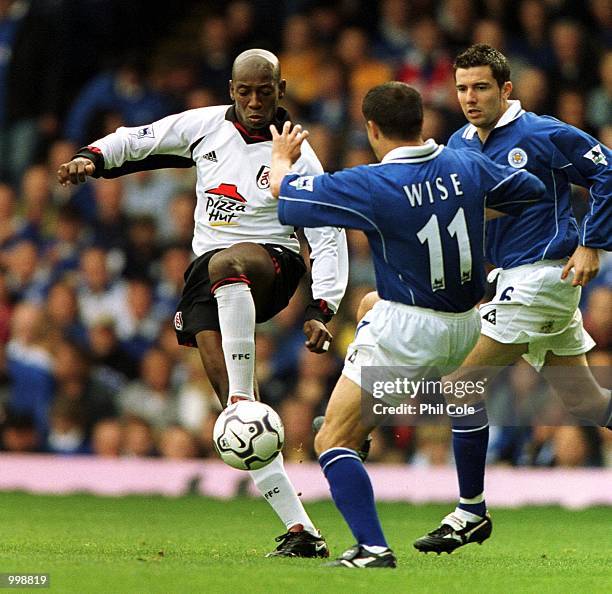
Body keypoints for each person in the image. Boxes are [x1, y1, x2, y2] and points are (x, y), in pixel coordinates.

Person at [57, 49, 349, 559]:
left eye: (265, 90)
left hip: (271, 263)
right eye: (245, 91)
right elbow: (141, 139)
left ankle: (243, 395)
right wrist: (93, 156)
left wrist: (322, 308)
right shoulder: (205, 126)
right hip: (205, 277)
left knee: (227, 264)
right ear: (231, 91)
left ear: (281, 91)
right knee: (240, 424)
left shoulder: (298, 153)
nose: (255, 101)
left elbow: (326, 236)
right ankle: (302, 531)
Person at [269, 82, 545, 567]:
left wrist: (281, 154)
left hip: (410, 329)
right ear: (422, 123)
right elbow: (531, 191)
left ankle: (372, 548)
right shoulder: (466, 163)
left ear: (371, 128)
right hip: (464, 325)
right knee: (370, 302)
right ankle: (464, 500)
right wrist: (465, 206)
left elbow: (285, 196)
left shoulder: (373, 182)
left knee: (329, 437)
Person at [408, 44, 611, 554]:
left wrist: (593, 242)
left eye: (480, 87)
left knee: (460, 385)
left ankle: (469, 512)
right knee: (587, 402)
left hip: (545, 276)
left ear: (506, 89)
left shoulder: (542, 134)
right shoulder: (456, 142)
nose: (469, 97)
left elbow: (608, 171)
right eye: (461, 88)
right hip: (507, 282)